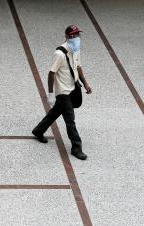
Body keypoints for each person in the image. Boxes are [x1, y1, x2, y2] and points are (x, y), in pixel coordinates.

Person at [32, 25, 92, 160]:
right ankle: (77, 148)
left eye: (77, 35)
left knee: (55, 112)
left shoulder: (76, 50)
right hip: (63, 91)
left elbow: (78, 67)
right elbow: (51, 73)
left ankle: (38, 130)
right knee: (70, 121)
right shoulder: (59, 54)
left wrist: (85, 83)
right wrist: (51, 94)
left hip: (73, 88)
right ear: (68, 36)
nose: (76, 37)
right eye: (74, 35)